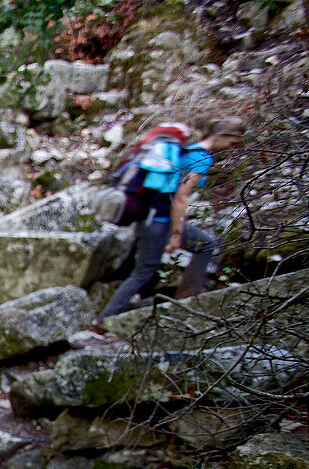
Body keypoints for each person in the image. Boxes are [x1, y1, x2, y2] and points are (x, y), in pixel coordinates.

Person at [97, 117, 246, 322]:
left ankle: (185, 301)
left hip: (151, 217)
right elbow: (180, 198)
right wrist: (176, 234)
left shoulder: (187, 151)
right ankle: (105, 320)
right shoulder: (200, 158)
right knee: (145, 271)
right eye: (233, 143)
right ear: (221, 136)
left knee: (205, 245)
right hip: (159, 221)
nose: (233, 149)